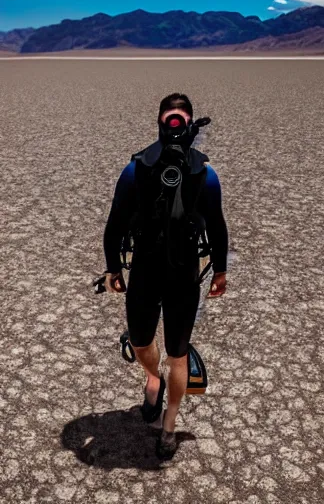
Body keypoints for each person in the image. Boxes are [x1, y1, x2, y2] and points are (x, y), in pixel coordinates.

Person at [102, 93, 228, 459]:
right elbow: (115, 224)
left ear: (188, 124)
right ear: (160, 122)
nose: (174, 125)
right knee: (142, 344)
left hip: (184, 276)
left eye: (180, 119)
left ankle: (169, 426)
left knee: (178, 353)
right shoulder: (136, 169)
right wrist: (113, 268)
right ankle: (151, 377)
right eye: (169, 118)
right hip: (143, 272)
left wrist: (220, 270)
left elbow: (217, 227)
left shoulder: (204, 174)